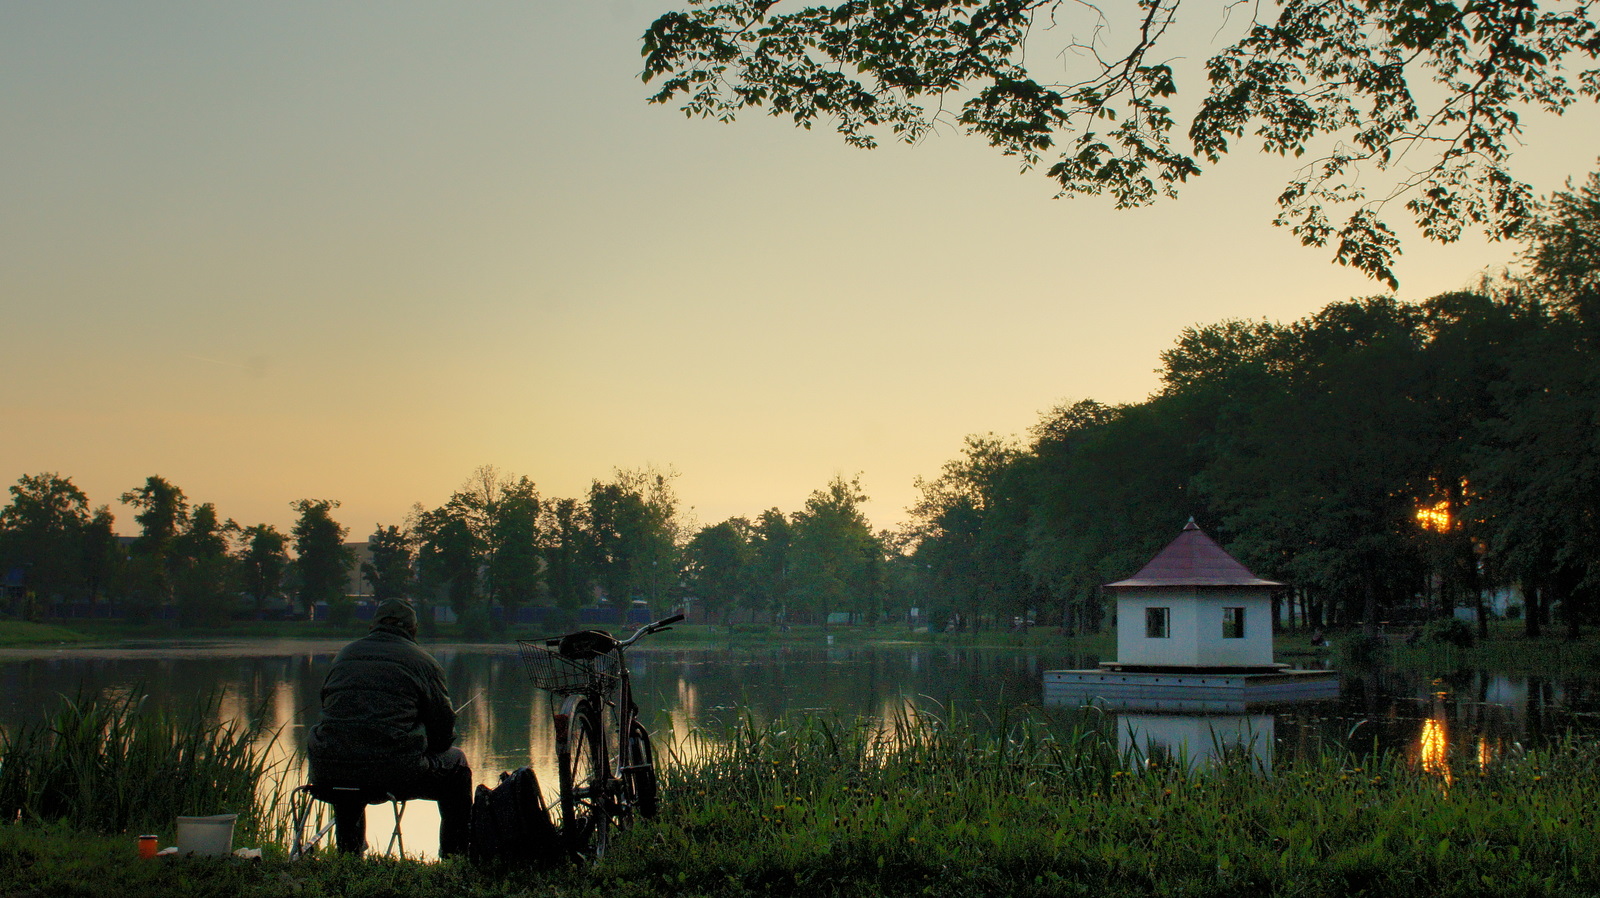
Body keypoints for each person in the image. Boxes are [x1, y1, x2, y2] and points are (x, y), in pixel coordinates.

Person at [307, 599, 472, 857]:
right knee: (457, 763)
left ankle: (348, 854)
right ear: (413, 630)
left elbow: (330, 710)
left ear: (373, 626)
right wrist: (423, 739)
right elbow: (443, 735)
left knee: (346, 753)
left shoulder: (343, 656)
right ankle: (456, 856)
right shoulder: (424, 662)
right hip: (393, 775)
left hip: (327, 773)